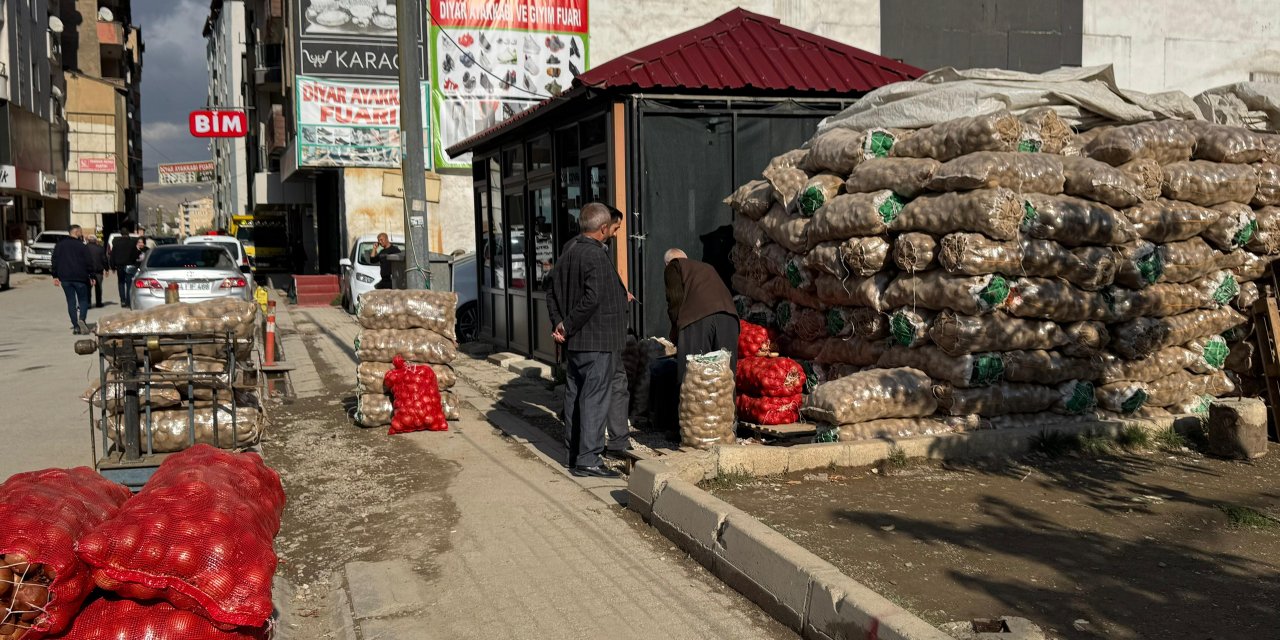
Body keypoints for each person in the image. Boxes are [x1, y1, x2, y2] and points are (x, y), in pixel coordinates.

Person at [548, 203, 628, 478]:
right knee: (594, 398)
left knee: (575, 397)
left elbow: (551, 293)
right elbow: (593, 298)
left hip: (577, 342)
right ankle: (589, 460)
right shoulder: (595, 255)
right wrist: (566, 325)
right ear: (603, 228)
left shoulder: (568, 252)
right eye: (611, 229)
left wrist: (560, 324)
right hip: (596, 340)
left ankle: (575, 454)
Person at [663, 248, 740, 383]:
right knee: (726, 376)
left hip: (698, 318)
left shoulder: (673, 267)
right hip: (730, 317)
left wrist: (676, 334)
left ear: (667, 263)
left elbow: (675, 300)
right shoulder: (705, 267)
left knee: (693, 376)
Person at [51, 225, 95, 334]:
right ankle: (82, 319)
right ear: (76, 232)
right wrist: (92, 276)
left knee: (71, 301)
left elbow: (54, 260)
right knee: (83, 300)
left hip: (65, 278)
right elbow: (89, 262)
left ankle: (75, 326)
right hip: (80, 277)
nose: (82, 233)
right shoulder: (82, 246)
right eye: (81, 231)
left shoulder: (59, 245)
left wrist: (55, 276)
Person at [109, 221, 142, 308]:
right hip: (130, 265)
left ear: (121, 234)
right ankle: (128, 301)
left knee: (121, 283)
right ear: (128, 234)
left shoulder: (116, 243)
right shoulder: (132, 243)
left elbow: (112, 255)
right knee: (129, 283)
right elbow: (135, 255)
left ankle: (122, 300)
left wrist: (112, 266)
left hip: (119, 265)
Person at [84, 234, 109, 308]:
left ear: (88, 240)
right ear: (95, 240)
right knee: (98, 287)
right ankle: (98, 302)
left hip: (87, 271)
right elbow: (104, 259)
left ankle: (88, 303)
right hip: (98, 271)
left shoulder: (84, 248)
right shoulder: (100, 248)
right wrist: (106, 269)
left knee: (88, 288)